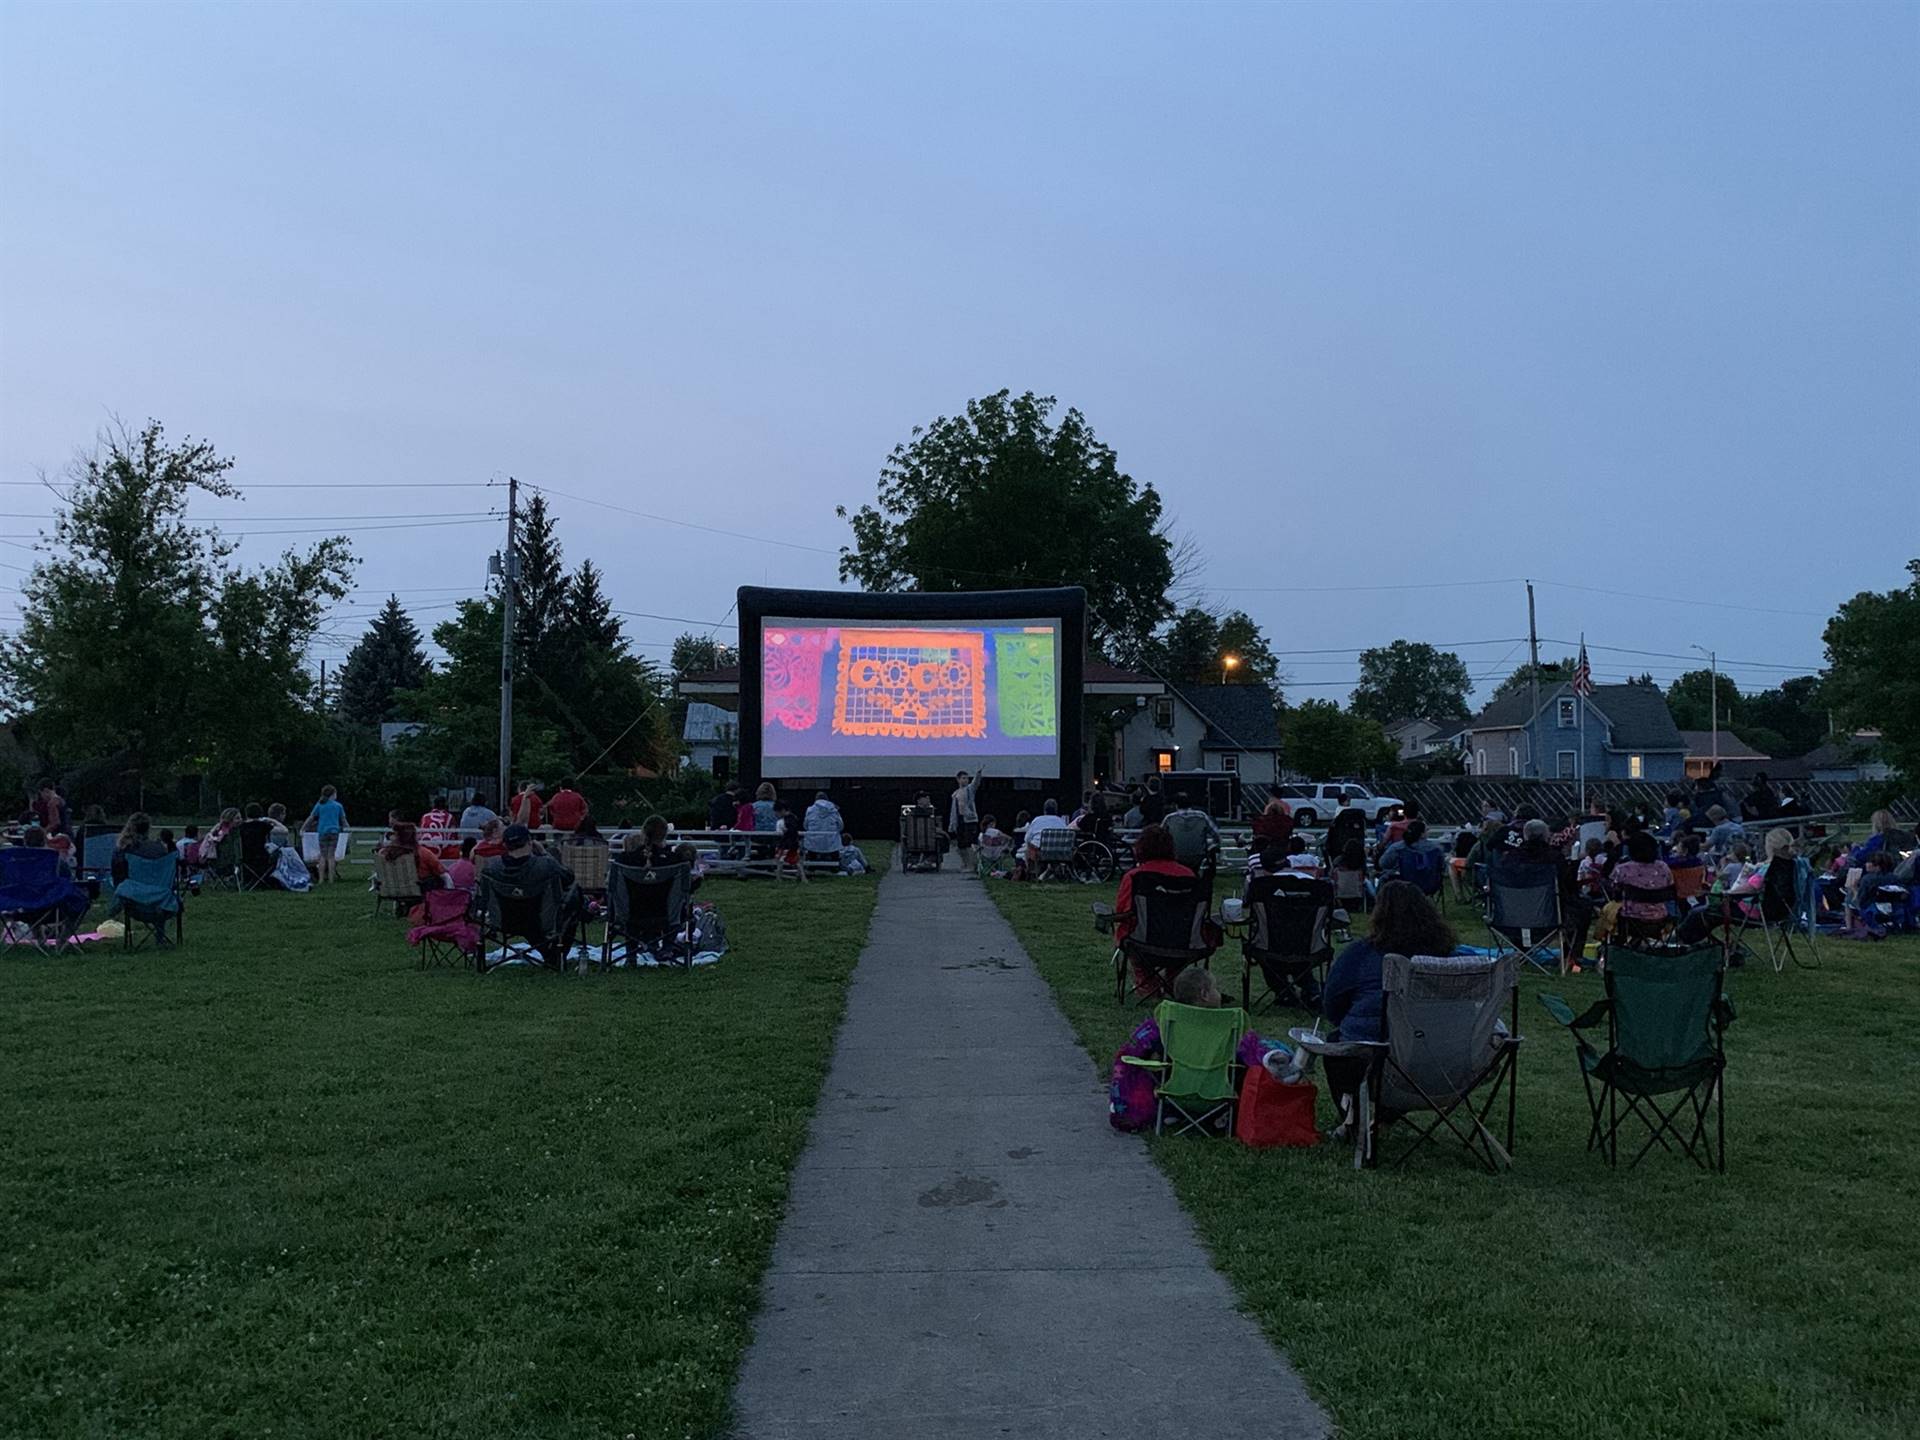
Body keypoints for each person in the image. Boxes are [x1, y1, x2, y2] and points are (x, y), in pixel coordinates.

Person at [1319, 881, 1460, 1114]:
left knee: (1337, 1045)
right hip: (1444, 1067)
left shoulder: (1362, 954)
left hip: (1374, 1064)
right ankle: (1383, 1119)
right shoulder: (1450, 960)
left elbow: (1332, 1006)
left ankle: (1354, 1120)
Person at [1111, 823, 1194, 998]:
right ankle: (1173, 983)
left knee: (1130, 935)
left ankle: (1148, 985)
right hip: (1184, 942)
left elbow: (1122, 911)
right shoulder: (1189, 876)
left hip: (1142, 943)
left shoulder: (1135, 876)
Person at [483, 823, 581, 965]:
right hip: (541, 921)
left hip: (504, 921)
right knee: (574, 898)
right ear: (530, 841)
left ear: (505, 845)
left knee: (525, 911)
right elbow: (568, 877)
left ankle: (550, 955)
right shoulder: (545, 865)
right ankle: (555, 957)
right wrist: (545, 854)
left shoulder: (492, 867)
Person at [1611, 830, 1676, 930]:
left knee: (1609, 909)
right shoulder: (1663, 867)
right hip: (1660, 917)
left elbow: (1615, 892)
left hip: (1631, 917)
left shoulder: (1622, 869)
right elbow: (1671, 888)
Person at [1376, 819, 1445, 895]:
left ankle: (1380, 903)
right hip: (1430, 885)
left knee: (1384, 878)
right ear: (1422, 834)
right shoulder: (1436, 849)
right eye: (1426, 831)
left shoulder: (1398, 847)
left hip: (1404, 884)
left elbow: (1383, 863)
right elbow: (1442, 866)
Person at [380, 822, 446, 897]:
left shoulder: (384, 853)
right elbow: (441, 872)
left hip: (392, 889)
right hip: (418, 890)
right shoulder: (423, 853)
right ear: (414, 836)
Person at [1163, 792, 1220, 871]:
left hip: (1176, 857)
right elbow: (1217, 836)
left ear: (1176, 805)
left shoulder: (1169, 818)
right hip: (1198, 857)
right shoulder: (1202, 816)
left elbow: (1160, 837)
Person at [110, 812, 171, 885]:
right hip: (155, 892)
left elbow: (117, 878)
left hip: (129, 891)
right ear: (148, 828)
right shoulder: (159, 848)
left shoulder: (122, 850)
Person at [303, 785, 347, 884]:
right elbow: (343, 820)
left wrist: (303, 828)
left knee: (322, 856)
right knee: (331, 856)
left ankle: (321, 879)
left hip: (322, 832)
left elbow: (311, 817)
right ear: (333, 794)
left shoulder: (319, 805)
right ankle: (331, 879)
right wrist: (348, 830)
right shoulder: (338, 806)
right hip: (334, 832)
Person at [948, 769, 983, 869]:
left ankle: (972, 865)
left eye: (967, 778)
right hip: (960, 821)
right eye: (963, 778)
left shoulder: (969, 790)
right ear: (958, 780)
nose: (966, 780)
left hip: (970, 820)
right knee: (961, 845)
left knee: (969, 843)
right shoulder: (955, 794)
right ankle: (965, 863)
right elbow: (953, 811)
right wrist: (952, 824)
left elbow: (975, 783)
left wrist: (978, 774)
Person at [1022, 798, 1070, 870]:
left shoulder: (1037, 820)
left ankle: (1031, 872)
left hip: (1041, 853)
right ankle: (1052, 872)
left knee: (1028, 847)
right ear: (1056, 810)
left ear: (1044, 810)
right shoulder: (1062, 822)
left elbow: (1027, 838)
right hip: (1059, 853)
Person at [774, 799, 809, 883]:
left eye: (777, 812)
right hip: (793, 843)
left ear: (781, 811)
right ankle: (803, 878)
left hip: (786, 844)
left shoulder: (786, 821)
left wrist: (785, 833)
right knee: (796, 861)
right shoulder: (793, 818)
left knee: (780, 860)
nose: (776, 815)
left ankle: (778, 877)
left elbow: (790, 831)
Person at [804, 791, 845, 857]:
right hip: (831, 844)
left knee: (811, 841)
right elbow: (841, 826)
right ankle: (835, 860)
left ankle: (811, 861)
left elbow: (805, 826)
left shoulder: (810, 810)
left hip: (813, 844)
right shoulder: (834, 810)